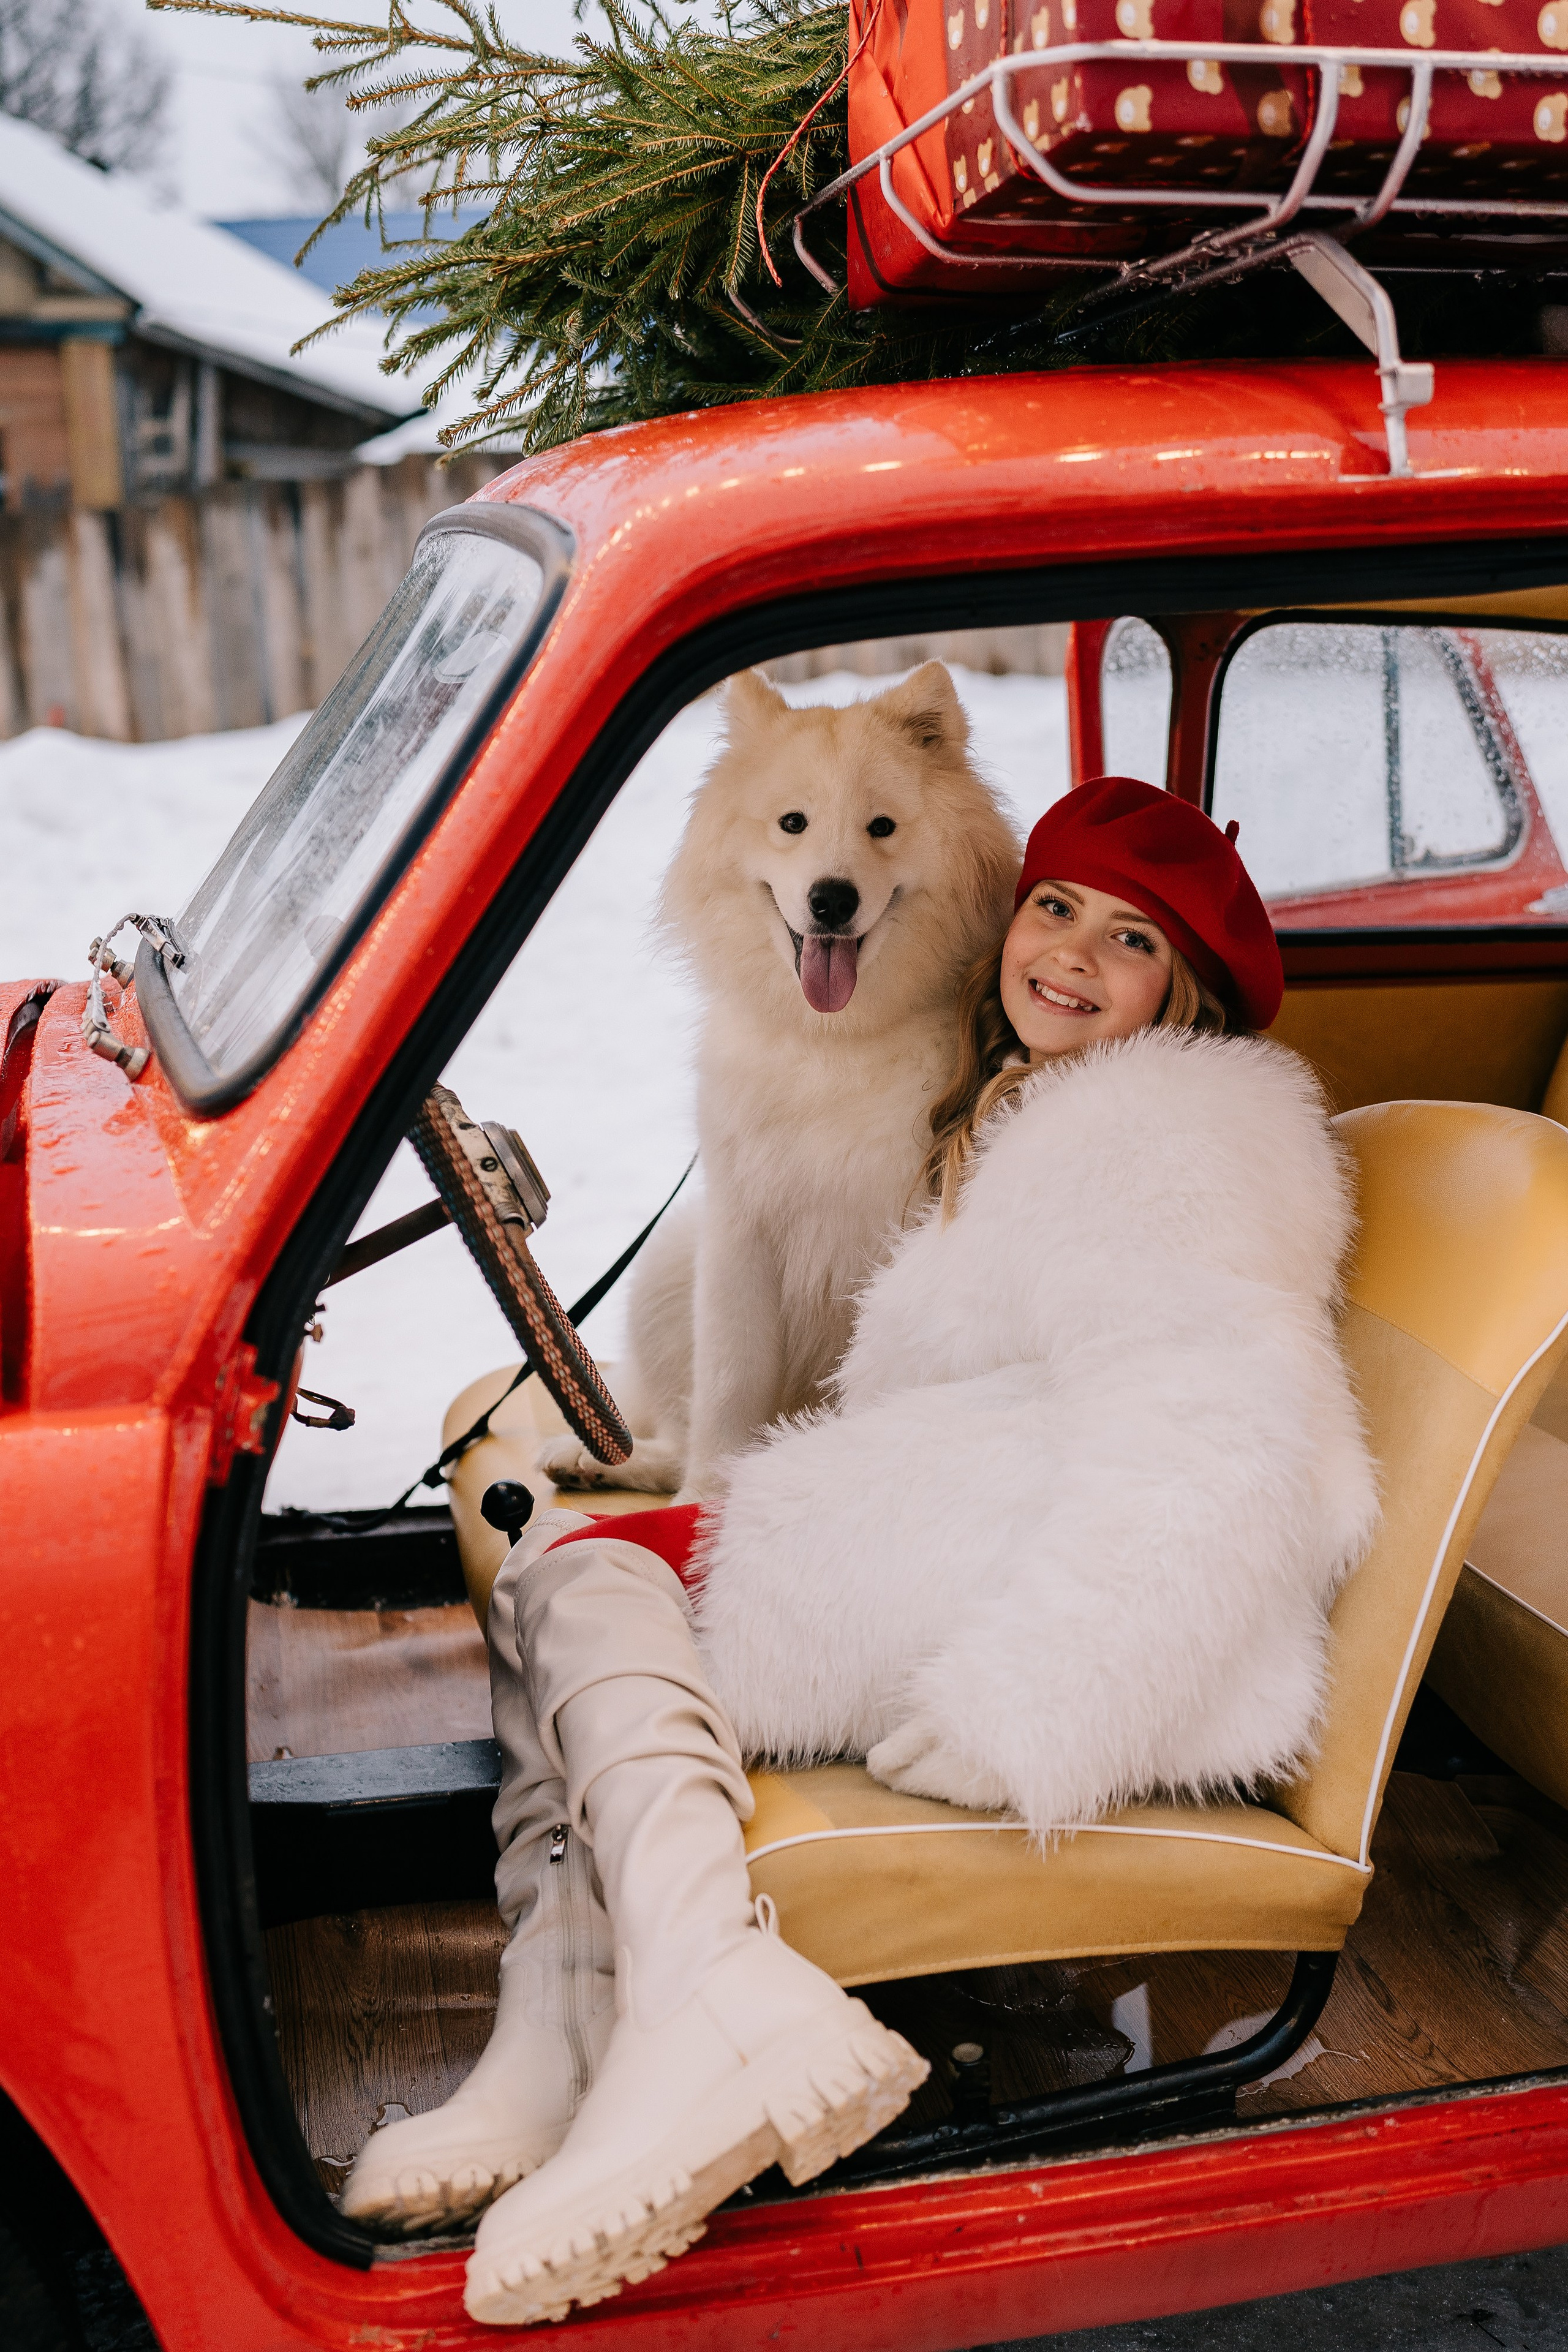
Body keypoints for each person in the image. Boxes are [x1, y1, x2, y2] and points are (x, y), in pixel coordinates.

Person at [341, 777, 1379, 2328]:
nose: (1071, 956)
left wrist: (1031, 1706)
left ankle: (693, 2014)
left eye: (1132, 941)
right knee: (567, 1579)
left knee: (583, 1581)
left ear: (1190, 999)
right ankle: (560, 2045)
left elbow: (1223, 1438)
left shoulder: (1175, 1140)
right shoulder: (1036, 1107)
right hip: (968, 1516)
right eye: (1055, 908)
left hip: (1066, 1595)